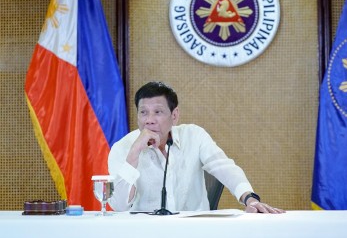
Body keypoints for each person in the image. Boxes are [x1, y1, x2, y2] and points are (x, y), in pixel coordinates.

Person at [108, 81, 284, 214]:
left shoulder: (194, 136)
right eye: (143, 112)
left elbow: (225, 168)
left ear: (174, 115)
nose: (149, 119)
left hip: (196, 232)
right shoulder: (122, 148)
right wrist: (134, 153)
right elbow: (119, 206)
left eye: (158, 112)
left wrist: (249, 199)